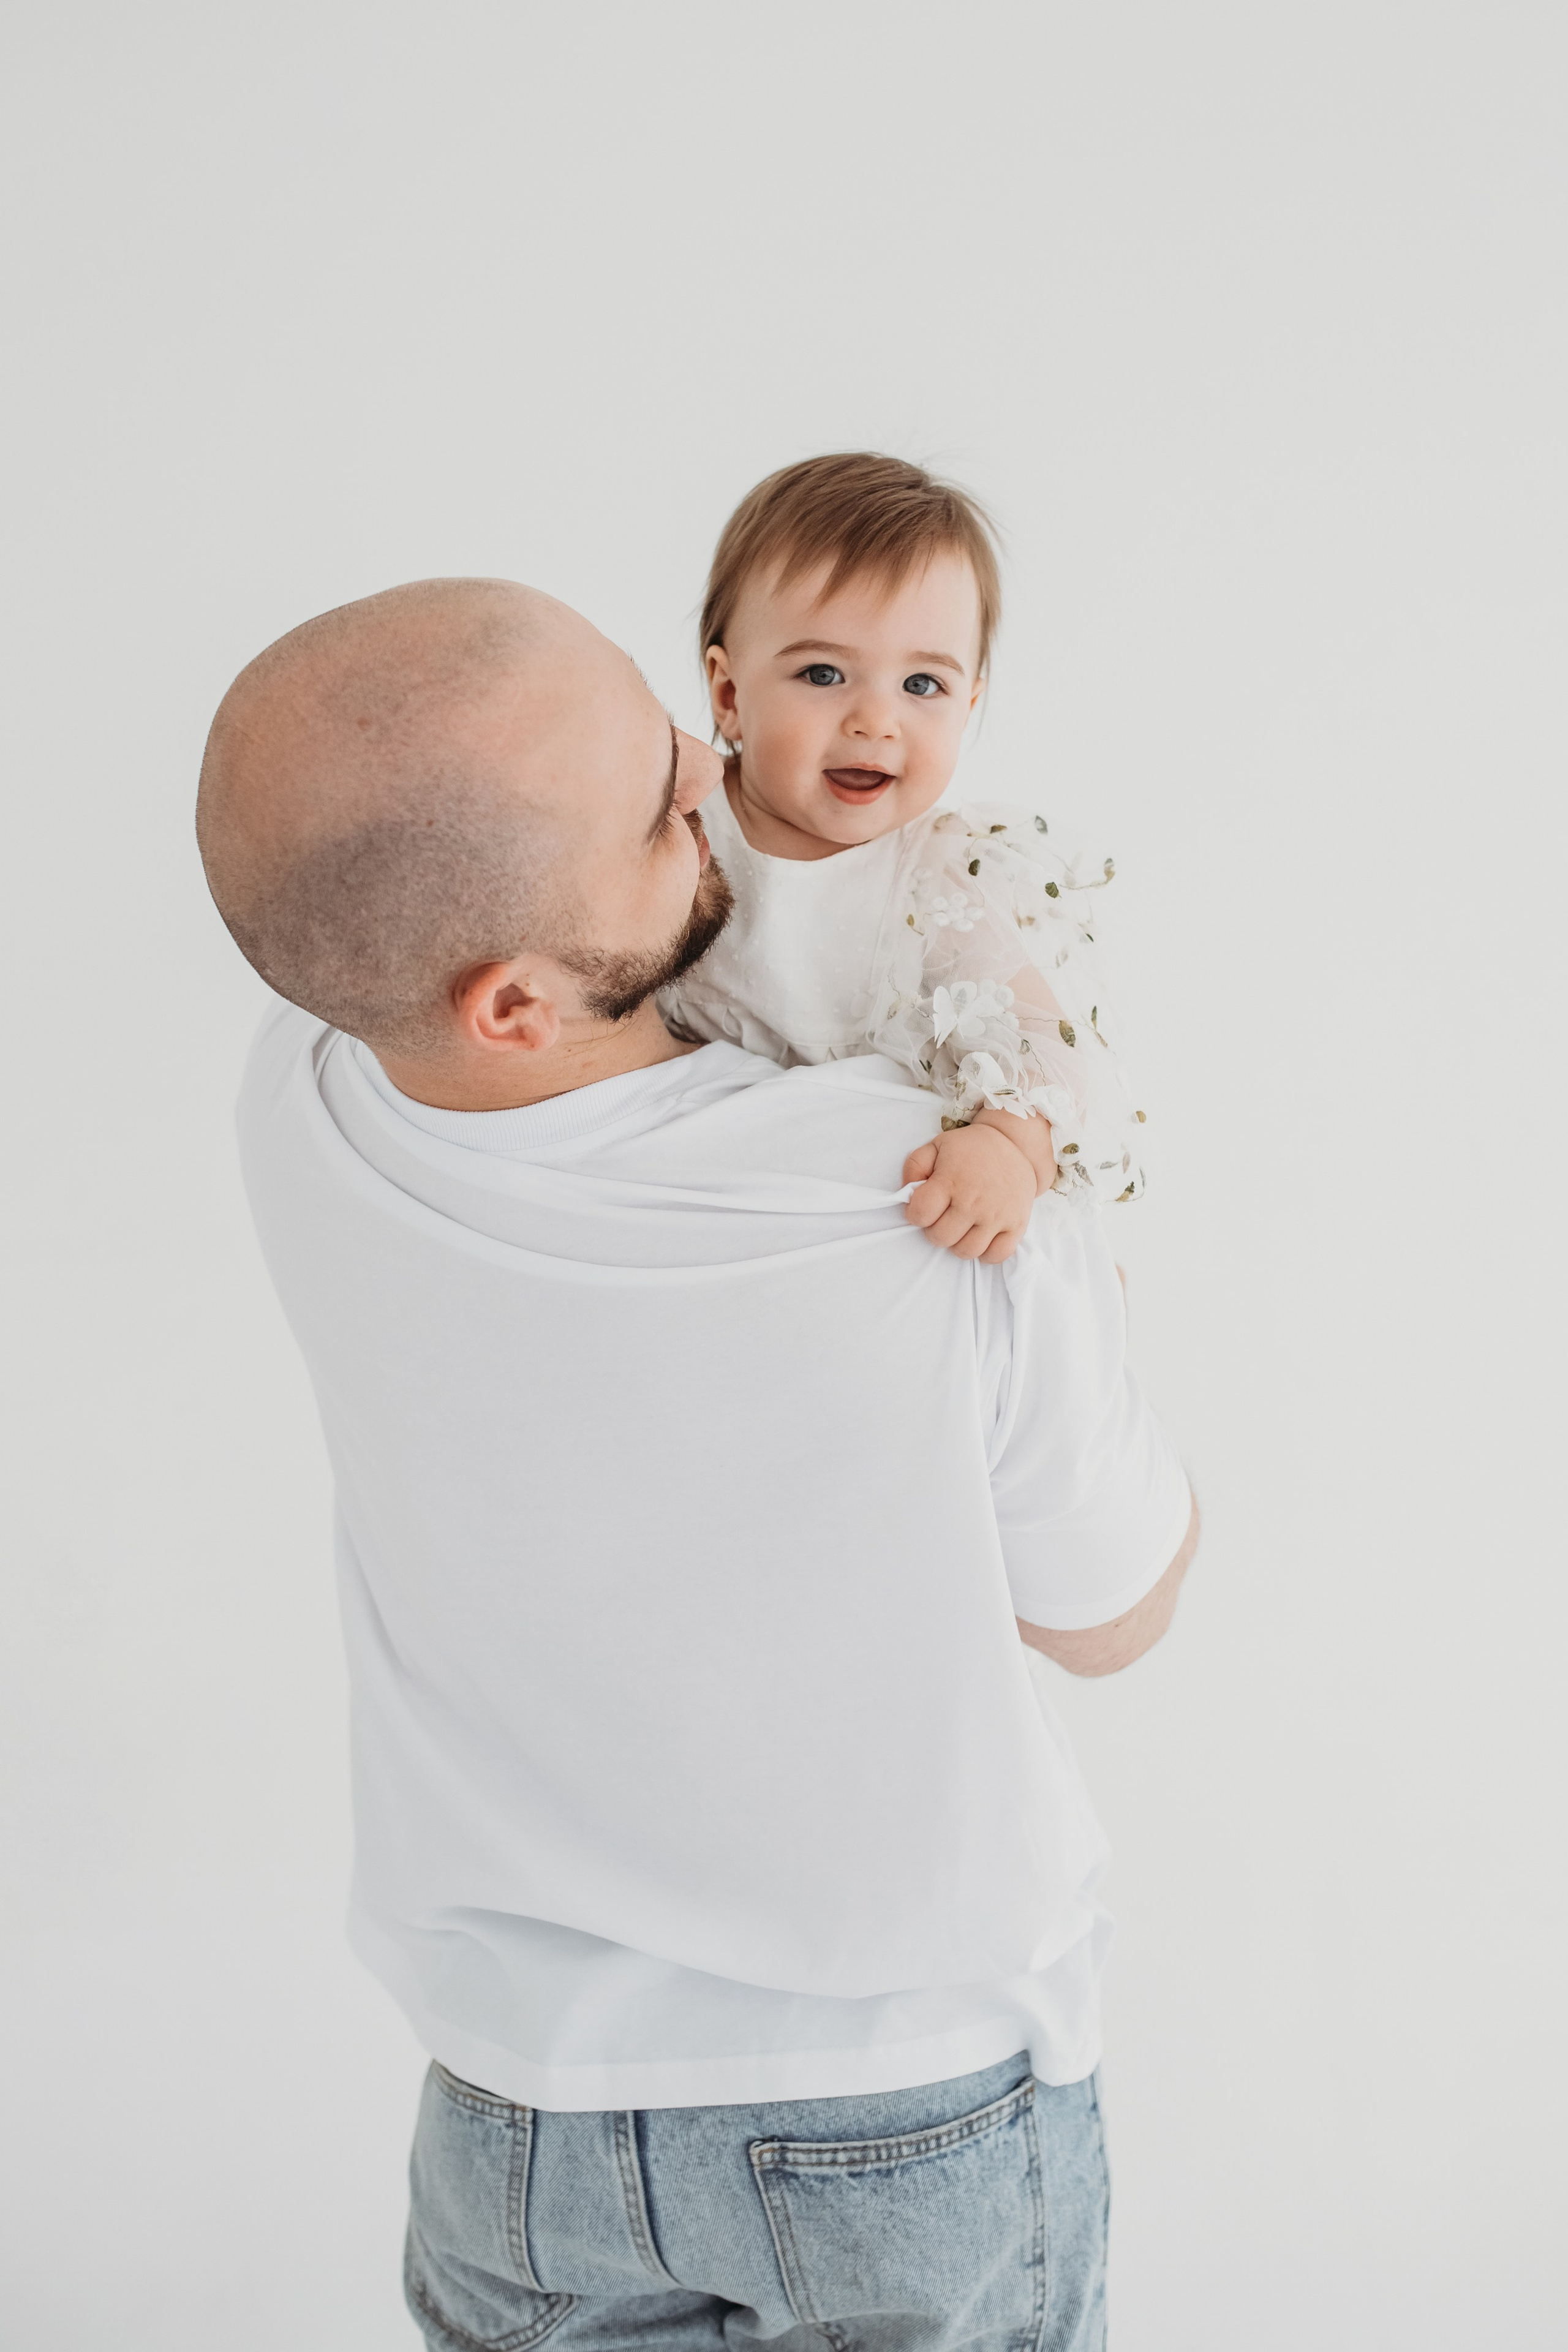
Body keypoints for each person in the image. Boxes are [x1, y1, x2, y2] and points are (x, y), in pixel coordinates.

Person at [197, 576, 1197, 2352]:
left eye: (674, 728)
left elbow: (356, 881)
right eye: (660, 807)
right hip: (910, 2103)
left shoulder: (310, 1105)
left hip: (515, 2129)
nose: (712, 776)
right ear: (510, 1002)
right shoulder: (919, 1201)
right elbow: (1114, 1614)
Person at [662, 453, 1147, 1269]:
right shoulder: (678, 828)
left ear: (971, 703)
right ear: (730, 693)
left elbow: (1047, 1042)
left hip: (885, 1216)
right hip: (704, 1198)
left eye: (923, 686)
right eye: (824, 673)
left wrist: (1006, 1143)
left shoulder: (947, 875)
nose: (876, 720)